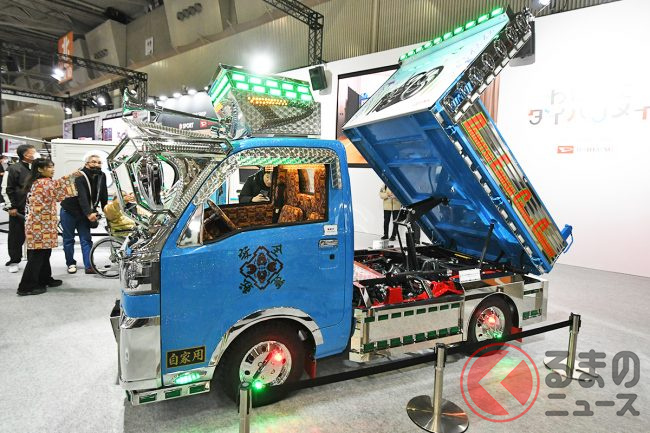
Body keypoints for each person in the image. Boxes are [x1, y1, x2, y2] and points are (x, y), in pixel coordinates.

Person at [17, 158, 80, 296]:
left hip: (40, 224)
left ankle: (44, 279)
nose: (53, 169)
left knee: (44, 253)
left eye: (52, 166)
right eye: (50, 167)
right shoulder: (44, 183)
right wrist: (72, 176)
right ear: (40, 169)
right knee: (37, 256)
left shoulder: (37, 182)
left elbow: (56, 192)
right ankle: (26, 287)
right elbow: (59, 187)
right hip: (39, 225)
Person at [60, 154, 108, 274]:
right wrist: (89, 213)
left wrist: (106, 209)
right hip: (69, 211)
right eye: (93, 162)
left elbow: (103, 193)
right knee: (68, 239)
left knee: (86, 239)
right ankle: (70, 263)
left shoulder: (102, 175)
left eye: (99, 162)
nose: (97, 164)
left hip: (84, 213)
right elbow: (82, 196)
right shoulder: (79, 175)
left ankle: (89, 266)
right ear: (86, 164)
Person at [5, 144, 37, 273]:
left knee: (34, 235)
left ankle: (32, 260)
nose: (35, 154)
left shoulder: (35, 168)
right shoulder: (13, 169)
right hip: (18, 209)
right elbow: (7, 188)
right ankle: (14, 261)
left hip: (34, 209)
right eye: (33, 152)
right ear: (26, 155)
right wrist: (11, 206)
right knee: (16, 236)